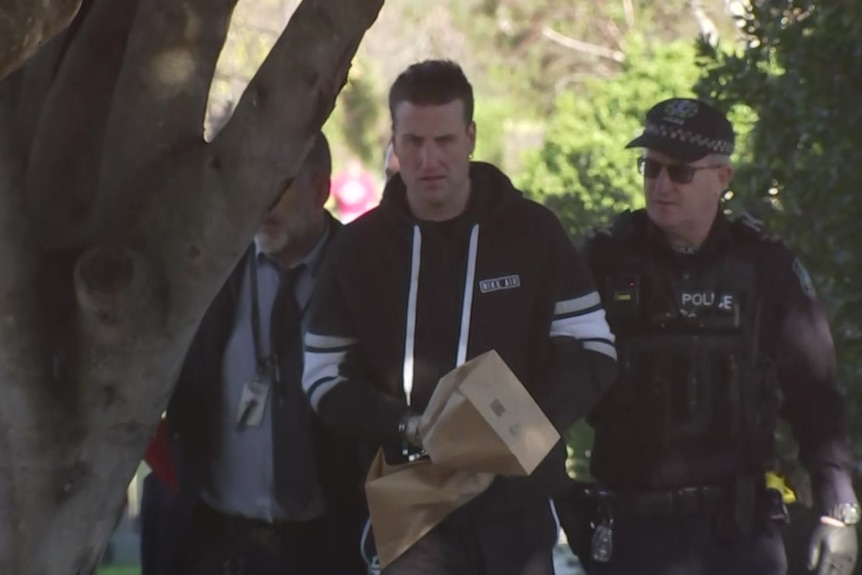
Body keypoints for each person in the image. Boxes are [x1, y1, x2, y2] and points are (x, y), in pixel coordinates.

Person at [301, 59, 618, 575]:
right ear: (395, 142)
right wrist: (405, 424)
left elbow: (594, 348)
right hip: (410, 511)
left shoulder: (533, 233)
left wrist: (524, 428)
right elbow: (321, 374)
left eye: (445, 140)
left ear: (471, 137)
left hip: (517, 514)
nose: (429, 159)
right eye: (414, 141)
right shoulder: (359, 248)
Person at [556, 97, 859, 575]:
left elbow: (815, 397)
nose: (660, 185)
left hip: (740, 539)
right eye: (650, 167)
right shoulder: (604, 261)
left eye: (679, 172)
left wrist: (838, 509)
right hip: (632, 535)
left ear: (722, 178)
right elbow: (544, 385)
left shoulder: (765, 267)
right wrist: (560, 494)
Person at [139, 132, 367, 575]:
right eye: (252, 182)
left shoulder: (359, 271)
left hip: (326, 547)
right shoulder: (205, 269)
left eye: (280, 185)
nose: (262, 201)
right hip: (211, 544)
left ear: (321, 189)